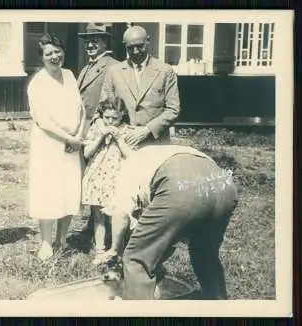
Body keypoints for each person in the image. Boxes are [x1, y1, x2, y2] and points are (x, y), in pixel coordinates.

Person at [103, 145, 238, 300]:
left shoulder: (126, 168)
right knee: (204, 252)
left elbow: (120, 214)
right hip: (224, 185)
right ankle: (218, 303)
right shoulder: (155, 154)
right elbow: (168, 236)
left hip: (180, 186)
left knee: (136, 259)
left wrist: (116, 250)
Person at [27, 33, 86, 261]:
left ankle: (62, 240)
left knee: (69, 190)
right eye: (48, 53)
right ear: (41, 58)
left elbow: (80, 110)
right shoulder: (38, 83)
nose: (54, 56)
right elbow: (43, 121)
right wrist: (68, 139)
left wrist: (78, 135)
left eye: (57, 51)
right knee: (48, 192)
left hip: (72, 144)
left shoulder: (70, 75)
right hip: (49, 145)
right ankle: (46, 243)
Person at [100, 25, 181, 148]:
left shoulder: (165, 71)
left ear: (148, 41)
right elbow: (103, 108)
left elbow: (173, 110)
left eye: (140, 46)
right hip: (123, 143)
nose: (135, 51)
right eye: (130, 48)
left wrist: (147, 130)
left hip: (155, 143)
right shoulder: (114, 72)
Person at [76, 22, 120, 249]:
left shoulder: (112, 66)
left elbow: (113, 101)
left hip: (101, 131)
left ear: (105, 42)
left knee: (104, 181)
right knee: (89, 178)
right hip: (84, 131)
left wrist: (104, 126)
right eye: (88, 40)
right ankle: (92, 224)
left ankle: (107, 232)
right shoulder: (85, 69)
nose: (90, 44)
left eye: (96, 40)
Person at [81, 100, 134, 265]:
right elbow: (87, 153)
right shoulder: (96, 129)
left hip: (117, 178)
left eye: (114, 119)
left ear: (121, 117)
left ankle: (117, 252)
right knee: (98, 216)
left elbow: (131, 156)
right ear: (101, 116)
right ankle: (99, 251)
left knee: (117, 216)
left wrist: (118, 139)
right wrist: (100, 136)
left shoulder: (126, 131)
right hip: (98, 177)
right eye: (107, 118)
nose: (111, 122)